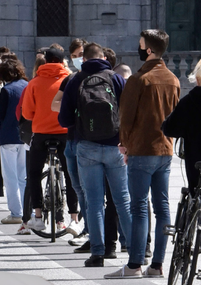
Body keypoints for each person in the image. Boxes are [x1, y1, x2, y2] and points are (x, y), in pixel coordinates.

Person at [105, 29, 180, 279]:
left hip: (141, 149)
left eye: (140, 45)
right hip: (165, 149)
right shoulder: (173, 79)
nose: (138, 48)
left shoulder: (138, 79)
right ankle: (157, 265)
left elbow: (125, 117)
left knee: (138, 207)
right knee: (163, 207)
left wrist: (124, 145)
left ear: (148, 49)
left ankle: (135, 264)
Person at [59, 42, 133, 267]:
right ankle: (134, 249)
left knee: (93, 202)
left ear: (84, 59)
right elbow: (127, 112)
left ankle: (98, 253)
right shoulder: (116, 78)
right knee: (123, 200)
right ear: (103, 57)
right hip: (115, 147)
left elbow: (64, 119)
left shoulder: (75, 80)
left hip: (86, 146)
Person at [162, 56, 201, 285]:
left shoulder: (190, 99)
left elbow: (169, 127)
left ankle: (184, 239)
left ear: (197, 78)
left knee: (195, 198)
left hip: (195, 163)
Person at [21, 47, 71, 231]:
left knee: (34, 173)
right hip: (65, 132)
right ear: (62, 61)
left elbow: (27, 113)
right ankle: (73, 216)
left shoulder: (34, 82)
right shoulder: (69, 79)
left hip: (41, 133)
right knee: (70, 172)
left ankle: (38, 215)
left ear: (46, 60)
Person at [52, 38, 89, 239]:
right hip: (75, 138)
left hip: (86, 140)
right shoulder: (71, 79)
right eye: (74, 56)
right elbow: (55, 104)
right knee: (79, 187)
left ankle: (93, 231)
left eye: (81, 55)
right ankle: (87, 227)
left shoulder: (76, 79)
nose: (77, 60)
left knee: (89, 189)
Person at [0, 58, 29, 225]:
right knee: (24, 176)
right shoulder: (27, 86)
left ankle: (16, 212)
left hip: (8, 135)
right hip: (27, 135)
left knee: (10, 176)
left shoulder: (7, 90)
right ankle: (27, 210)